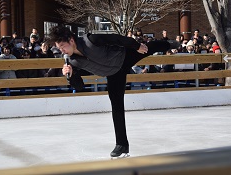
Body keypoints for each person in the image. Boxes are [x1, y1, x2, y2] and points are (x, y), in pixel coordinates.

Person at [48, 26, 170, 158]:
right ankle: (122, 145)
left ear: (71, 40)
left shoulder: (91, 40)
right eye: (59, 48)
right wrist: (71, 75)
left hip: (124, 57)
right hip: (113, 74)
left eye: (62, 46)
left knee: (149, 48)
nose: (61, 50)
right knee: (116, 106)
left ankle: (169, 44)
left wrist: (136, 46)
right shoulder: (73, 62)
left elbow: (116, 38)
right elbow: (79, 86)